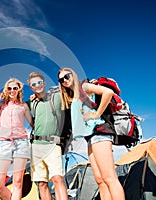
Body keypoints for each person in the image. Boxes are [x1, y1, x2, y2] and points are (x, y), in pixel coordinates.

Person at [58, 67, 125, 200]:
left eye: (67, 76)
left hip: (100, 132)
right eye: (61, 79)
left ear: (73, 75)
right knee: (100, 180)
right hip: (90, 137)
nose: (65, 80)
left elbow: (108, 92)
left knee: (109, 177)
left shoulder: (85, 86)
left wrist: (97, 114)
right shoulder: (73, 97)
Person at [26, 72, 68, 200]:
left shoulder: (56, 97)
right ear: (31, 88)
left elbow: (70, 89)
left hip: (52, 144)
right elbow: (15, 104)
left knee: (57, 178)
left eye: (39, 82)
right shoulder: (32, 103)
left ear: (44, 83)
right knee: (42, 183)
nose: (37, 85)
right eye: (34, 84)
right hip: (36, 146)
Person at [0, 78, 33, 200]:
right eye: (9, 88)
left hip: (21, 142)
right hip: (4, 143)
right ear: (6, 90)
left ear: (19, 90)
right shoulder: (0, 106)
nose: (12, 90)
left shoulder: (23, 106)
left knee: (18, 182)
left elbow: (33, 124)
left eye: (15, 88)